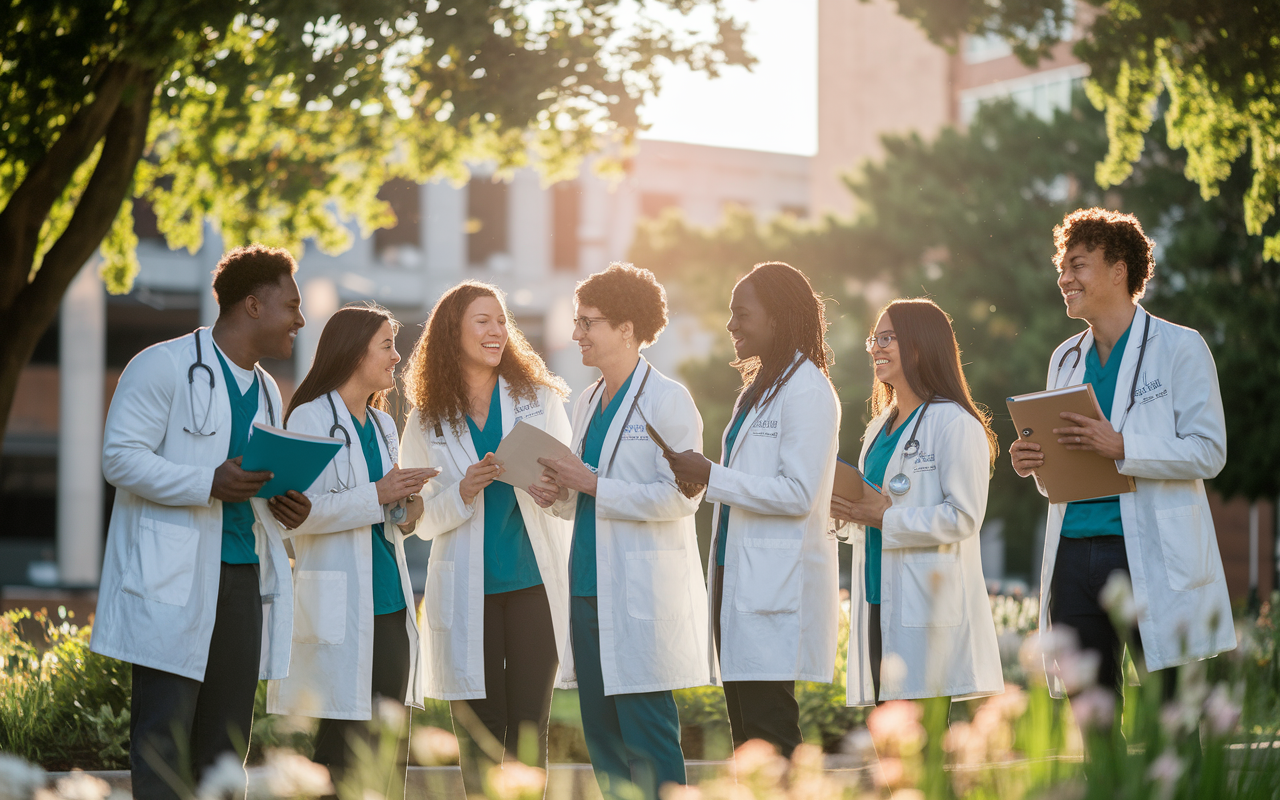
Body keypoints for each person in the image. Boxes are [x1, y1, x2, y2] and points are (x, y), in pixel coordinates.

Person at [92, 245, 308, 799]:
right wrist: (204, 482)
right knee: (163, 736)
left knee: (226, 745)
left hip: (241, 578)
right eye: (292, 306)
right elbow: (118, 457)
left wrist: (287, 504)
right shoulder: (161, 365)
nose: (300, 321)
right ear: (253, 306)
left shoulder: (266, 391)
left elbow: (255, 480)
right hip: (175, 578)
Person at [1010, 208, 1235, 706]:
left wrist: (1124, 447)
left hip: (1147, 551)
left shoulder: (1180, 348)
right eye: (1061, 267)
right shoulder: (1065, 358)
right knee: (1092, 715)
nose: (1064, 278)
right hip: (1072, 552)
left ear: (1119, 271)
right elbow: (1059, 479)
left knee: (1172, 714)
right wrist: (1035, 462)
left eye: (1078, 265)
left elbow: (1209, 451)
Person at [529, 263, 710, 800]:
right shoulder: (585, 402)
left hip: (638, 594)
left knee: (648, 732)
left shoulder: (668, 400)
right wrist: (559, 494)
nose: (575, 335)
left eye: (588, 323)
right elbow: (584, 498)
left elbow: (683, 497)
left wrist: (592, 483)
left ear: (627, 329)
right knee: (603, 738)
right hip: (586, 589)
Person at [398, 281, 574, 794]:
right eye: (483, 321)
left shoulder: (539, 400)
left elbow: (570, 496)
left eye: (501, 321)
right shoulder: (427, 421)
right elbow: (420, 521)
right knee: (476, 731)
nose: (497, 330)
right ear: (452, 333)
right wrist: (464, 491)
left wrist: (551, 491)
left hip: (530, 586)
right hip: (465, 591)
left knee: (526, 729)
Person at [665, 261, 841, 758]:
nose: (731, 325)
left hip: (774, 589)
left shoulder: (807, 389)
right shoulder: (764, 386)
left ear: (778, 318)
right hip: (739, 582)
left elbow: (797, 494)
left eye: (741, 313)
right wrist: (701, 478)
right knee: (748, 739)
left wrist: (712, 475)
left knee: (770, 734)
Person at [262, 305, 435, 799]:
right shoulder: (310, 416)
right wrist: (379, 494)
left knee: (386, 746)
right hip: (339, 607)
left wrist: (407, 505)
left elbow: (388, 517)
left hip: (390, 605)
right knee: (339, 749)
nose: (397, 357)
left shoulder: (383, 425)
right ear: (353, 351)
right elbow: (298, 514)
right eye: (387, 345)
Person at [832, 299, 1002, 707]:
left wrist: (887, 516)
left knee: (919, 752)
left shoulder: (956, 424)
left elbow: (964, 518)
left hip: (924, 609)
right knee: (886, 740)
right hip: (875, 597)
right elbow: (868, 506)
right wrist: (843, 510)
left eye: (887, 338)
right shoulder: (877, 427)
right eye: (874, 339)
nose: (875, 348)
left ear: (921, 345)